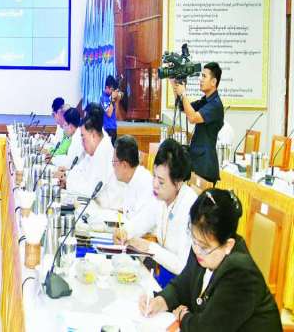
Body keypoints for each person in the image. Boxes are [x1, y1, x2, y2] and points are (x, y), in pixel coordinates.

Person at [139, 188, 282, 331]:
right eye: (194, 240)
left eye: (203, 246)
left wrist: (183, 316)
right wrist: (160, 301)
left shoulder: (241, 273)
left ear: (228, 245)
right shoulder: (203, 247)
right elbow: (183, 284)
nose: (196, 250)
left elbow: (208, 329)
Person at [118, 138, 198, 279]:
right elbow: (145, 218)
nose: (154, 184)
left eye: (161, 181)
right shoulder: (161, 198)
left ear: (178, 183)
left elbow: (182, 266)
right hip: (162, 272)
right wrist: (125, 231)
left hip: (181, 281)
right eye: (154, 176)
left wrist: (149, 247)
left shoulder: (190, 206)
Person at [171, 62, 224, 184]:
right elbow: (183, 107)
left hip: (205, 166)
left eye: (204, 76)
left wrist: (184, 94)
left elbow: (192, 118)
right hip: (197, 161)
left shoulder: (215, 105)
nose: (200, 79)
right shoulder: (205, 101)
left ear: (213, 82)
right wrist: (174, 82)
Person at [63, 108, 122, 209]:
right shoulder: (93, 150)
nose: (82, 143)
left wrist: (68, 182)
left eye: (83, 138)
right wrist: (66, 177)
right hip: (94, 204)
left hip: (106, 209)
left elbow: (92, 191)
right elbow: (80, 170)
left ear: (93, 135)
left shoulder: (104, 151)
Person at [110, 135, 155, 232]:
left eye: (114, 162)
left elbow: (141, 223)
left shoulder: (145, 182)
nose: (113, 166)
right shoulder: (131, 179)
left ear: (124, 165)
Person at [101, 75, 119, 143]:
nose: (112, 92)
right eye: (111, 89)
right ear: (106, 87)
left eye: (113, 90)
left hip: (114, 127)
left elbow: (116, 115)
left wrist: (117, 101)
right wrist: (112, 100)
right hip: (107, 129)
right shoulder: (103, 98)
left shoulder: (111, 97)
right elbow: (109, 113)